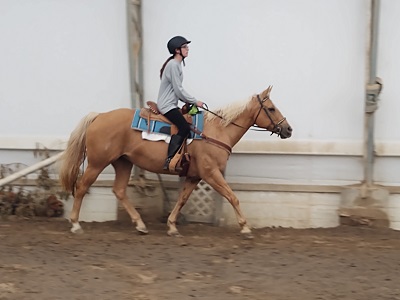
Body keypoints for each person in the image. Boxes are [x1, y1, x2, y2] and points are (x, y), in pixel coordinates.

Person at [157, 36, 205, 170]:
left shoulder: (176, 65)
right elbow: (178, 89)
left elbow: (177, 90)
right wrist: (195, 101)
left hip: (171, 103)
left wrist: (190, 102)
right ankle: (170, 159)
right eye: (185, 47)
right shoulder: (173, 65)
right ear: (177, 50)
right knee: (184, 127)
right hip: (167, 105)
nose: (187, 49)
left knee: (191, 117)